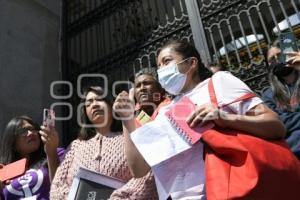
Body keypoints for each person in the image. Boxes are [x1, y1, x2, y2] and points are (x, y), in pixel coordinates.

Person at [113, 40, 286, 199]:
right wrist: (127, 119)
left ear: (191, 63)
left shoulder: (218, 82)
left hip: (226, 191)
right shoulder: (163, 111)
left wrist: (224, 118)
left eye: (166, 61)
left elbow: (275, 125)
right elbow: (139, 169)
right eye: (159, 67)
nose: (162, 70)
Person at [50, 86, 157, 199]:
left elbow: (147, 176)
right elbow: (57, 187)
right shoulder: (75, 146)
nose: (95, 104)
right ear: (85, 112)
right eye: (89, 103)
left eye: (100, 99)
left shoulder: (131, 135)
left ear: (111, 104)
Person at [0, 116, 63, 200]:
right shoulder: (4, 171)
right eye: (23, 131)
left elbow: (63, 185)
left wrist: (51, 152)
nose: (30, 133)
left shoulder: (56, 153)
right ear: (13, 142)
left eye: (33, 129)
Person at [262, 45, 300, 159]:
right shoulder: (268, 95)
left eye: (279, 55)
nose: (277, 60)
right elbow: (277, 123)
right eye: (272, 59)